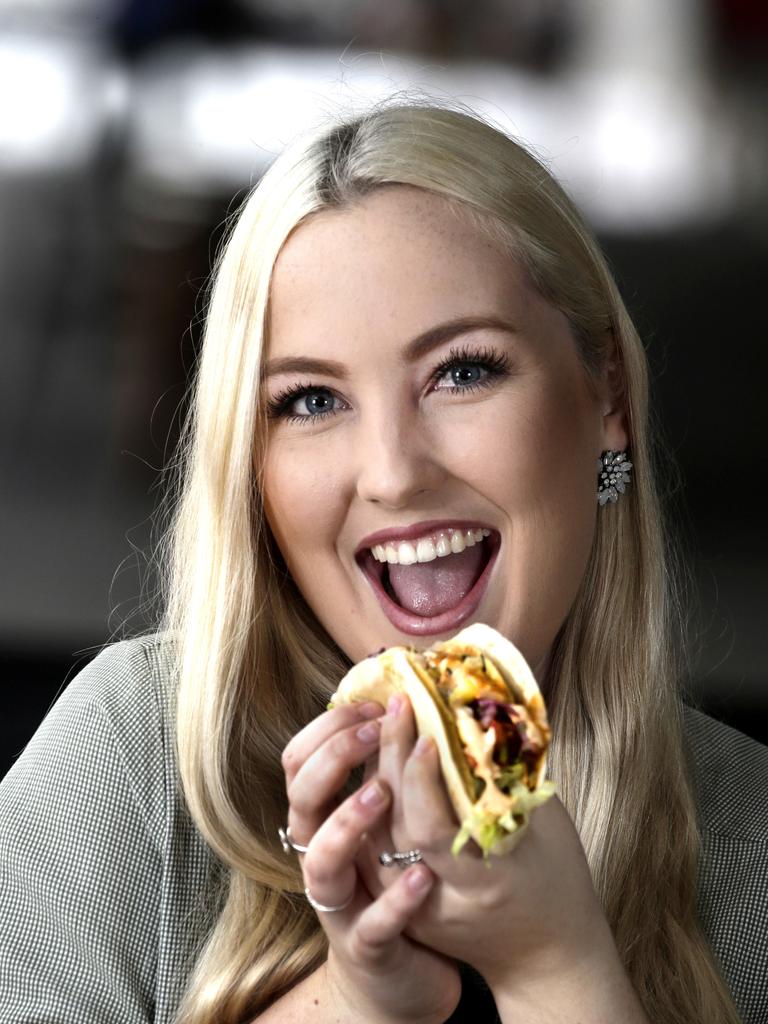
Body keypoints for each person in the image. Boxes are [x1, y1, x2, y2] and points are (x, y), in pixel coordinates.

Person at [1, 100, 766, 1024]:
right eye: (312, 399)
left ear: (605, 394)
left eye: (464, 370)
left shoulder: (751, 847)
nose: (395, 475)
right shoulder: (124, 772)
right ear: (250, 462)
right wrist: (359, 997)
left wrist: (556, 966)